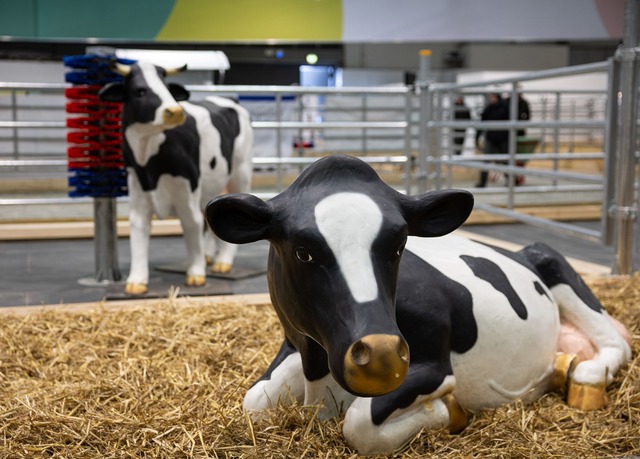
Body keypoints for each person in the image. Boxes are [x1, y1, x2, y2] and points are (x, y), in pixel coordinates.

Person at [475, 92, 509, 187]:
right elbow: (482, 122)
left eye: (493, 97)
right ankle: (482, 182)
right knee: (486, 159)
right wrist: (477, 137)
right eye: (491, 97)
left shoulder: (505, 108)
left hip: (503, 138)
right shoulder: (489, 108)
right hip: (491, 138)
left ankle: (509, 180)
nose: (491, 99)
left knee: (505, 160)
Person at [506, 92, 531, 185]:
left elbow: (528, 116)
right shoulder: (507, 102)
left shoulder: (523, 103)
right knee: (509, 156)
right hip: (508, 133)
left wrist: (520, 124)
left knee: (519, 157)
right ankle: (511, 178)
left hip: (519, 133)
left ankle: (518, 178)